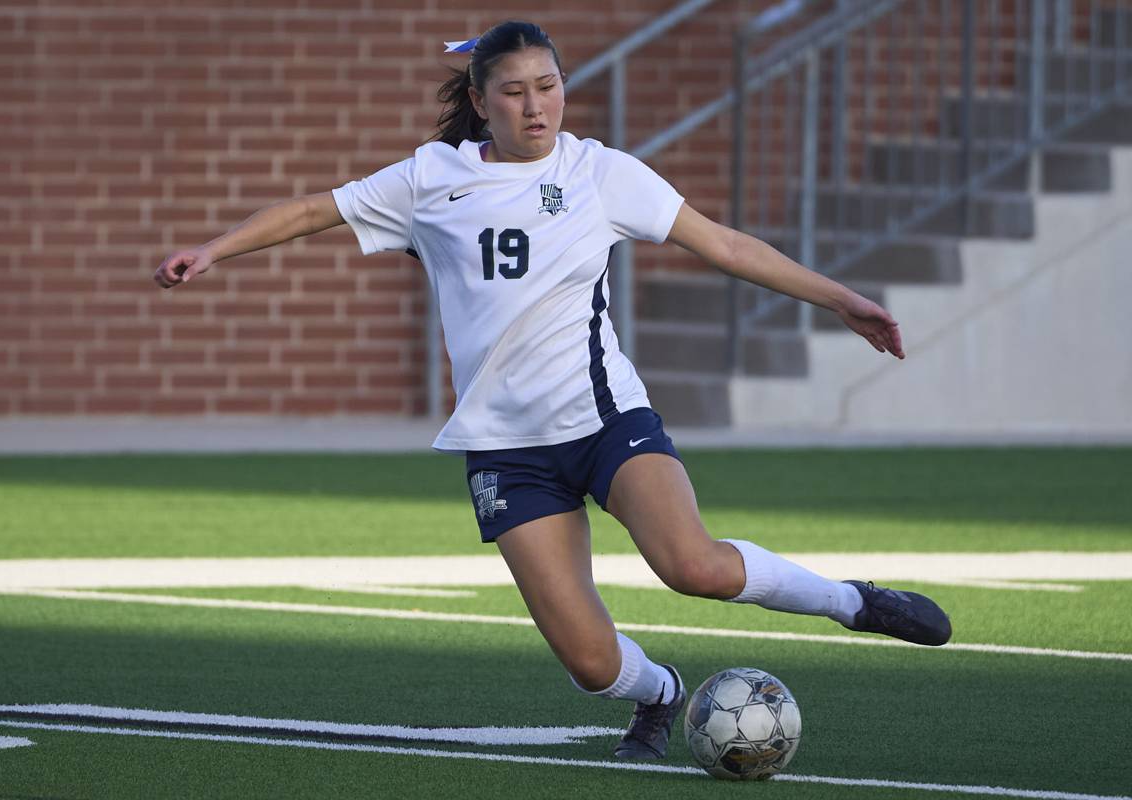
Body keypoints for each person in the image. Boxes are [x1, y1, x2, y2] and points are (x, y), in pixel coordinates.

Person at [153, 20, 951, 761]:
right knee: (591, 661)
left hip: (604, 418)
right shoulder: (432, 180)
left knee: (692, 566)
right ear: (479, 101)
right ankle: (661, 694)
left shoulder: (600, 172)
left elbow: (728, 246)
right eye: (513, 90)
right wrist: (213, 250)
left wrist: (842, 298)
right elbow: (310, 210)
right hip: (505, 447)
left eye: (549, 85)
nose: (536, 105)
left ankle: (854, 601)